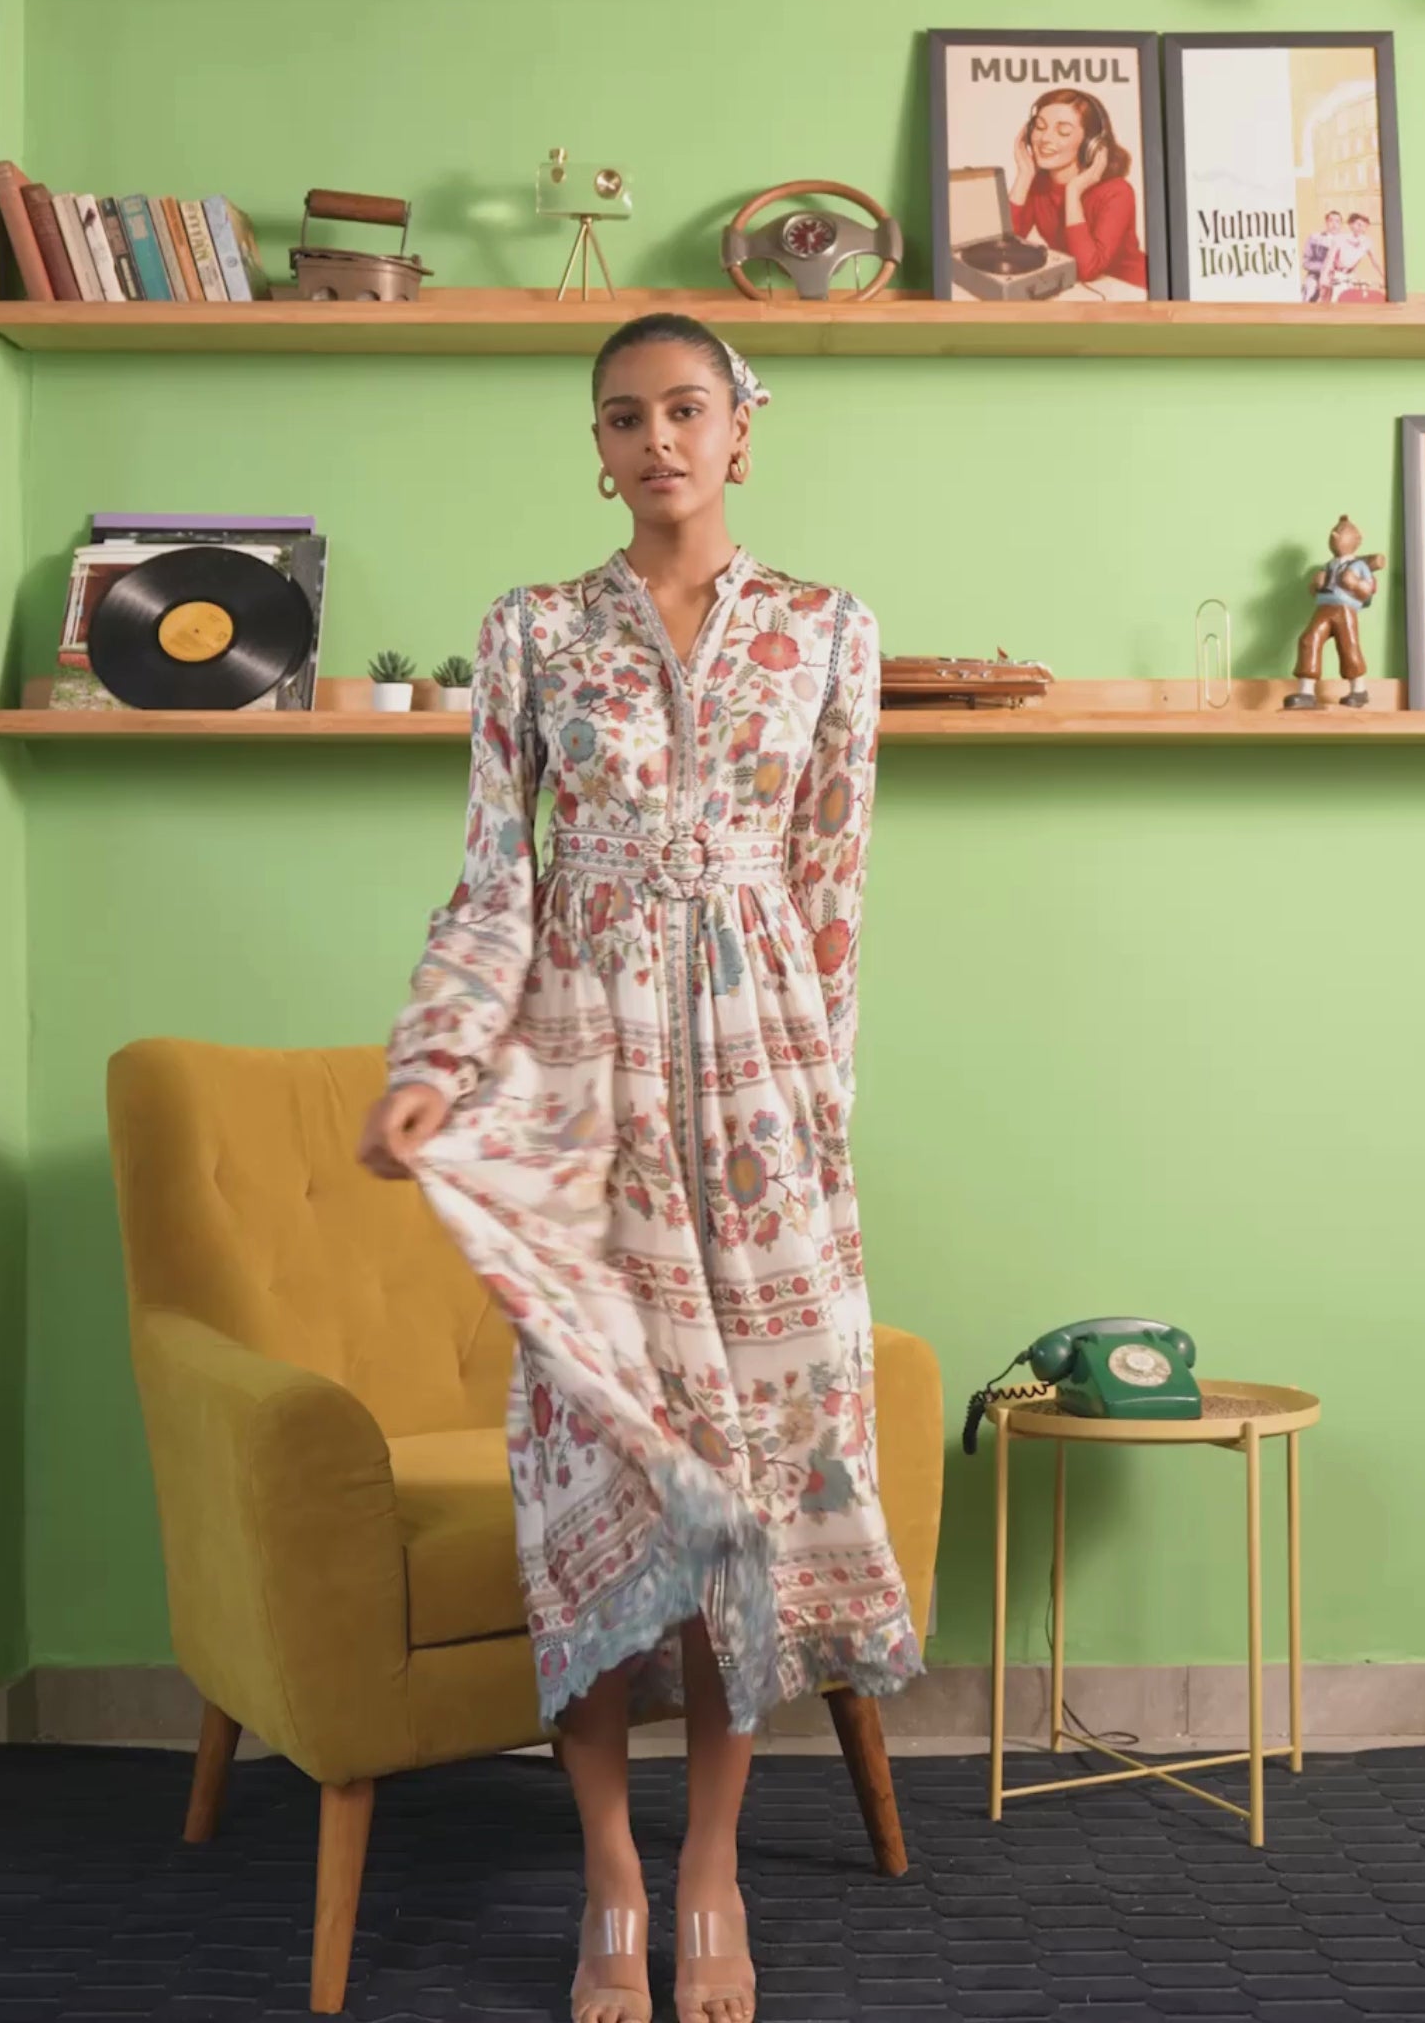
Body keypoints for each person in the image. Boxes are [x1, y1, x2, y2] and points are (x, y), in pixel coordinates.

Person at [357, 311, 921, 2023]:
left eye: (686, 408)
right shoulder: (533, 631)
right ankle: (609, 1866)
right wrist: (435, 1062)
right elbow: (492, 883)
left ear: (742, 428)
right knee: (591, 1479)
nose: (658, 438)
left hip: (762, 1112)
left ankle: (709, 1864)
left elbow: (833, 893)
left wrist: (819, 1109)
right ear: (597, 448)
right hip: (586, 1097)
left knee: (748, 1486)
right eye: (624, 416)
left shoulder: (829, 630)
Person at [1008, 88, 1148, 291]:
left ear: (1090, 143)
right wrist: (1024, 175)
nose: (1045, 138)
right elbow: (1005, 250)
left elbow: (1087, 269)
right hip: (1083, 291)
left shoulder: (1118, 192)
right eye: (1039, 126)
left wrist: (1073, 192)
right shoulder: (1038, 185)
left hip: (1132, 289)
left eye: (1063, 131)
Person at [1284, 514, 1381, 710]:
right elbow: (1314, 591)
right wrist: (1315, 585)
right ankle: (1306, 691)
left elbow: (1368, 591)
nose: (1335, 536)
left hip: (1345, 610)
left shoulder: (1359, 566)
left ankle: (1359, 690)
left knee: (1348, 646)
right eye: (1334, 532)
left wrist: (1355, 584)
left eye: (1340, 532)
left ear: (1355, 539)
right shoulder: (1329, 566)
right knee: (1308, 639)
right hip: (1324, 609)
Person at [1320, 213, 1385, 303]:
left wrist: (1385, 277)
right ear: (1351, 224)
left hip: (1351, 277)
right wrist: (1324, 278)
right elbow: (1329, 259)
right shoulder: (1339, 238)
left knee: (1351, 301)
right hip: (1337, 275)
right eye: (1358, 224)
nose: (1361, 228)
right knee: (1335, 301)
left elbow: (1376, 262)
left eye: (1364, 226)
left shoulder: (1367, 242)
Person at [1301, 210, 1343, 303]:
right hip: (1316, 276)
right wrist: (1324, 268)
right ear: (1326, 222)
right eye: (1331, 220)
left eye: (1337, 221)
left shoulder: (1345, 241)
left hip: (1337, 278)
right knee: (1310, 289)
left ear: (1341, 224)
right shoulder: (1315, 238)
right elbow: (1305, 262)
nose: (1334, 224)